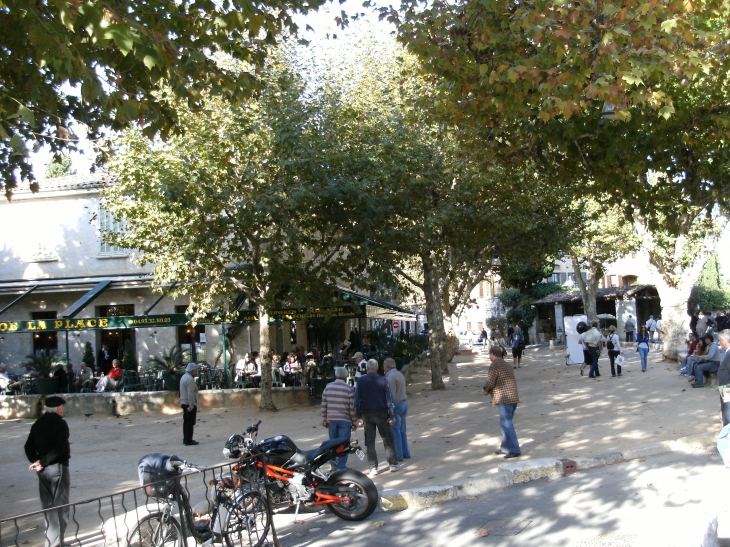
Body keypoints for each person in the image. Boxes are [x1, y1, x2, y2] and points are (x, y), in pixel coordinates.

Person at [24, 395, 70, 547]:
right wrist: (42, 462)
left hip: (42, 471)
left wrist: (37, 462)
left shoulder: (38, 423)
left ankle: (51, 542)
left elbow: (28, 447)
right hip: (57, 468)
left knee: (48, 508)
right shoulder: (61, 423)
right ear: (58, 408)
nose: (63, 410)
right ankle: (57, 544)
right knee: (60, 507)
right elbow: (59, 449)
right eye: (63, 407)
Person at [354, 359, 398, 476]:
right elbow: (389, 399)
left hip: (367, 413)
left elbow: (357, 399)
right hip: (382, 412)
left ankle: (373, 467)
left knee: (370, 441)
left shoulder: (361, 381)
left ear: (367, 368)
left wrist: (358, 416)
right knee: (387, 438)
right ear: (377, 368)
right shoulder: (383, 380)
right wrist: (392, 414)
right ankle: (392, 463)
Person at [482, 345, 521, 459]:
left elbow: (491, 381)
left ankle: (515, 449)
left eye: (490, 355)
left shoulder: (495, 365)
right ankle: (505, 447)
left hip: (504, 398)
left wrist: (485, 390)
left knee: (507, 424)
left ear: (492, 355)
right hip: (513, 397)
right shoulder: (506, 364)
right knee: (505, 423)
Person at [321, 367, 357, 470]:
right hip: (345, 419)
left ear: (336, 375)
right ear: (346, 376)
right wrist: (354, 421)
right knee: (343, 444)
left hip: (331, 419)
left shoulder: (328, 387)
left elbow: (324, 405)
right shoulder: (349, 389)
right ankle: (341, 466)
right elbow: (351, 408)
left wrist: (324, 419)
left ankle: (333, 463)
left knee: (332, 442)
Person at [384, 358, 410, 461]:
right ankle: (405, 452)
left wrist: (389, 410)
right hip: (404, 402)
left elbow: (391, 396)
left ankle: (399, 454)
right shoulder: (399, 374)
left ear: (387, 367)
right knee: (402, 430)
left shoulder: (390, 377)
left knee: (395, 431)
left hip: (397, 405)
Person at [180, 362, 199, 445]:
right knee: (190, 423)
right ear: (192, 370)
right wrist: (191, 405)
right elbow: (190, 393)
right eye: (195, 370)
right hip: (188, 403)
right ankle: (188, 440)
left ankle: (186, 439)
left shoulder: (184, 377)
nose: (196, 371)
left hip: (184, 402)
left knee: (186, 422)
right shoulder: (190, 379)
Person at [716, 331, 730, 426]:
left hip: (727, 388)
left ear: (725, 341)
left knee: (727, 414)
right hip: (725, 386)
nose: (718, 342)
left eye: (719, 340)